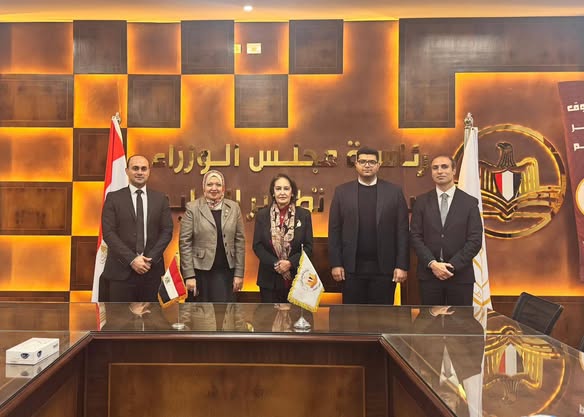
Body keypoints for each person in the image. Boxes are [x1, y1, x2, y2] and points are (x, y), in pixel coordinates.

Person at [328, 147, 409, 305]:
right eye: (363, 161)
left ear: (378, 165)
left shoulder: (394, 192)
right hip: (351, 269)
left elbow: (402, 231)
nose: (367, 165)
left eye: (372, 162)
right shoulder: (342, 192)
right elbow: (334, 231)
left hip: (384, 269)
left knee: (382, 316)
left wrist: (401, 265)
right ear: (356, 164)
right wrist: (336, 263)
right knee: (352, 316)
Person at [410, 155, 483, 306]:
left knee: (460, 320)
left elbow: (475, 240)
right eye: (435, 168)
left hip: (460, 276)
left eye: (444, 167)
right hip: (429, 276)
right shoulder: (421, 202)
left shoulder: (469, 202)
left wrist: (451, 266)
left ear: (454, 170)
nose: (440, 171)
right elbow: (415, 236)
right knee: (430, 320)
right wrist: (432, 264)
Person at [100, 155, 173, 302]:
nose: (140, 172)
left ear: (149, 172)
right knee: (120, 316)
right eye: (135, 168)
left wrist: (149, 260)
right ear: (127, 171)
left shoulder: (160, 199)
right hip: (121, 272)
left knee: (152, 316)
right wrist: (132, 259)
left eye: (143, 169)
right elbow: (108, 233)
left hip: (151, 272)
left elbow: (167, 231)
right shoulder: (113, 198)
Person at [179, 170, 245, 302]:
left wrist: (239, 273)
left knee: (224, 312)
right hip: (200, 272)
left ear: (223, 188)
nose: (214, 188)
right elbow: (184, 243)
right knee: (200, 313)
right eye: (209, 184)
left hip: (226, 272)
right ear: (204, 187)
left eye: (218, 185)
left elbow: (240, 242)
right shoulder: (193, 208)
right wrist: (189, 275)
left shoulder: (234, 208)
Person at [253, 173, 313, 303]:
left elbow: (308, 247)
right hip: (269, 279)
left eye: (286, 188)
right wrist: (277, 264)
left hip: (297, 278)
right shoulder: (262, 215)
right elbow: (257, 246)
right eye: (278, 188)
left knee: (295, 315)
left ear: (292, 192)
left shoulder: (304, 215)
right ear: (273, 192)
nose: (282, 192)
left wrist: (290, 263)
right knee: (269, 316)